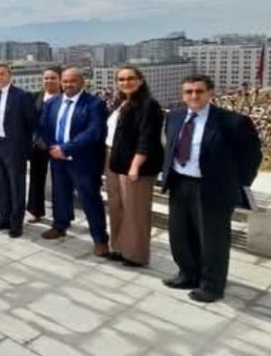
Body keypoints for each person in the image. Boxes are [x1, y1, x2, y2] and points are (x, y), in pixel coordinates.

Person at [162, 74, 262, 303]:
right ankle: (187, 274)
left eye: (199, 91)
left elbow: (251, 157)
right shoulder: (174, 117)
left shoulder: (233, 122)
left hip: (213, 188)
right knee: (180, 234)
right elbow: (170, 146)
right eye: (188, 92)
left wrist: (237, 183)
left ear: (210, 93)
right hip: (180, 183)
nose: (193, 96)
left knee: (213, 239)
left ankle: (212, 285)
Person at [38, 68, 109, 256]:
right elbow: (44, 127)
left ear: (82, 82)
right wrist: (52, 148)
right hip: (57, 159)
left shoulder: (94, 104)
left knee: (90, 199)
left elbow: (94, 132)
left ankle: (100, 239)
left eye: (73, 81)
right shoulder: (52, 103)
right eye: (65, 81)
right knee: (60, 194)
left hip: (83, 161)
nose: (68, 85)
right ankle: (60, 226)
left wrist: (66, 149)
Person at [105, 66, 164, 267]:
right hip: (115, 160)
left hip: (135, 164)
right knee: (117, 206)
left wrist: (136, 165)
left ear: (140, 80)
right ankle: (119, 247)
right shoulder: (121, 102)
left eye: (131, 78)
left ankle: (136, 254)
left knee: (135, 209)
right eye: (121, 79)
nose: (126, 82)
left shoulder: (149, 105)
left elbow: (147, 138)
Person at [0, 63, 37, 238]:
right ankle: (3, 218)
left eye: (2, 74)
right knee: (0, 184)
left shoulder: (22, 96)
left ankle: (16, 223)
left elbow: (31, 122)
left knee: (16, 185)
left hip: (14, 147)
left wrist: (24, 144)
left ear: (9, 76)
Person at [28, 66, 62, 223]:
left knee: (60, 181)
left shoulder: (65, 98)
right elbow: (29, 119)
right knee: (36, 178)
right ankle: (34, 210)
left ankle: (61, 215)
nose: (49, 81)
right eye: (46, 78)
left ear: (60, 79)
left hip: (58, 146)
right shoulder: (35, 97)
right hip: (38, 145)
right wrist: (36, 138)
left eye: (53, 78)